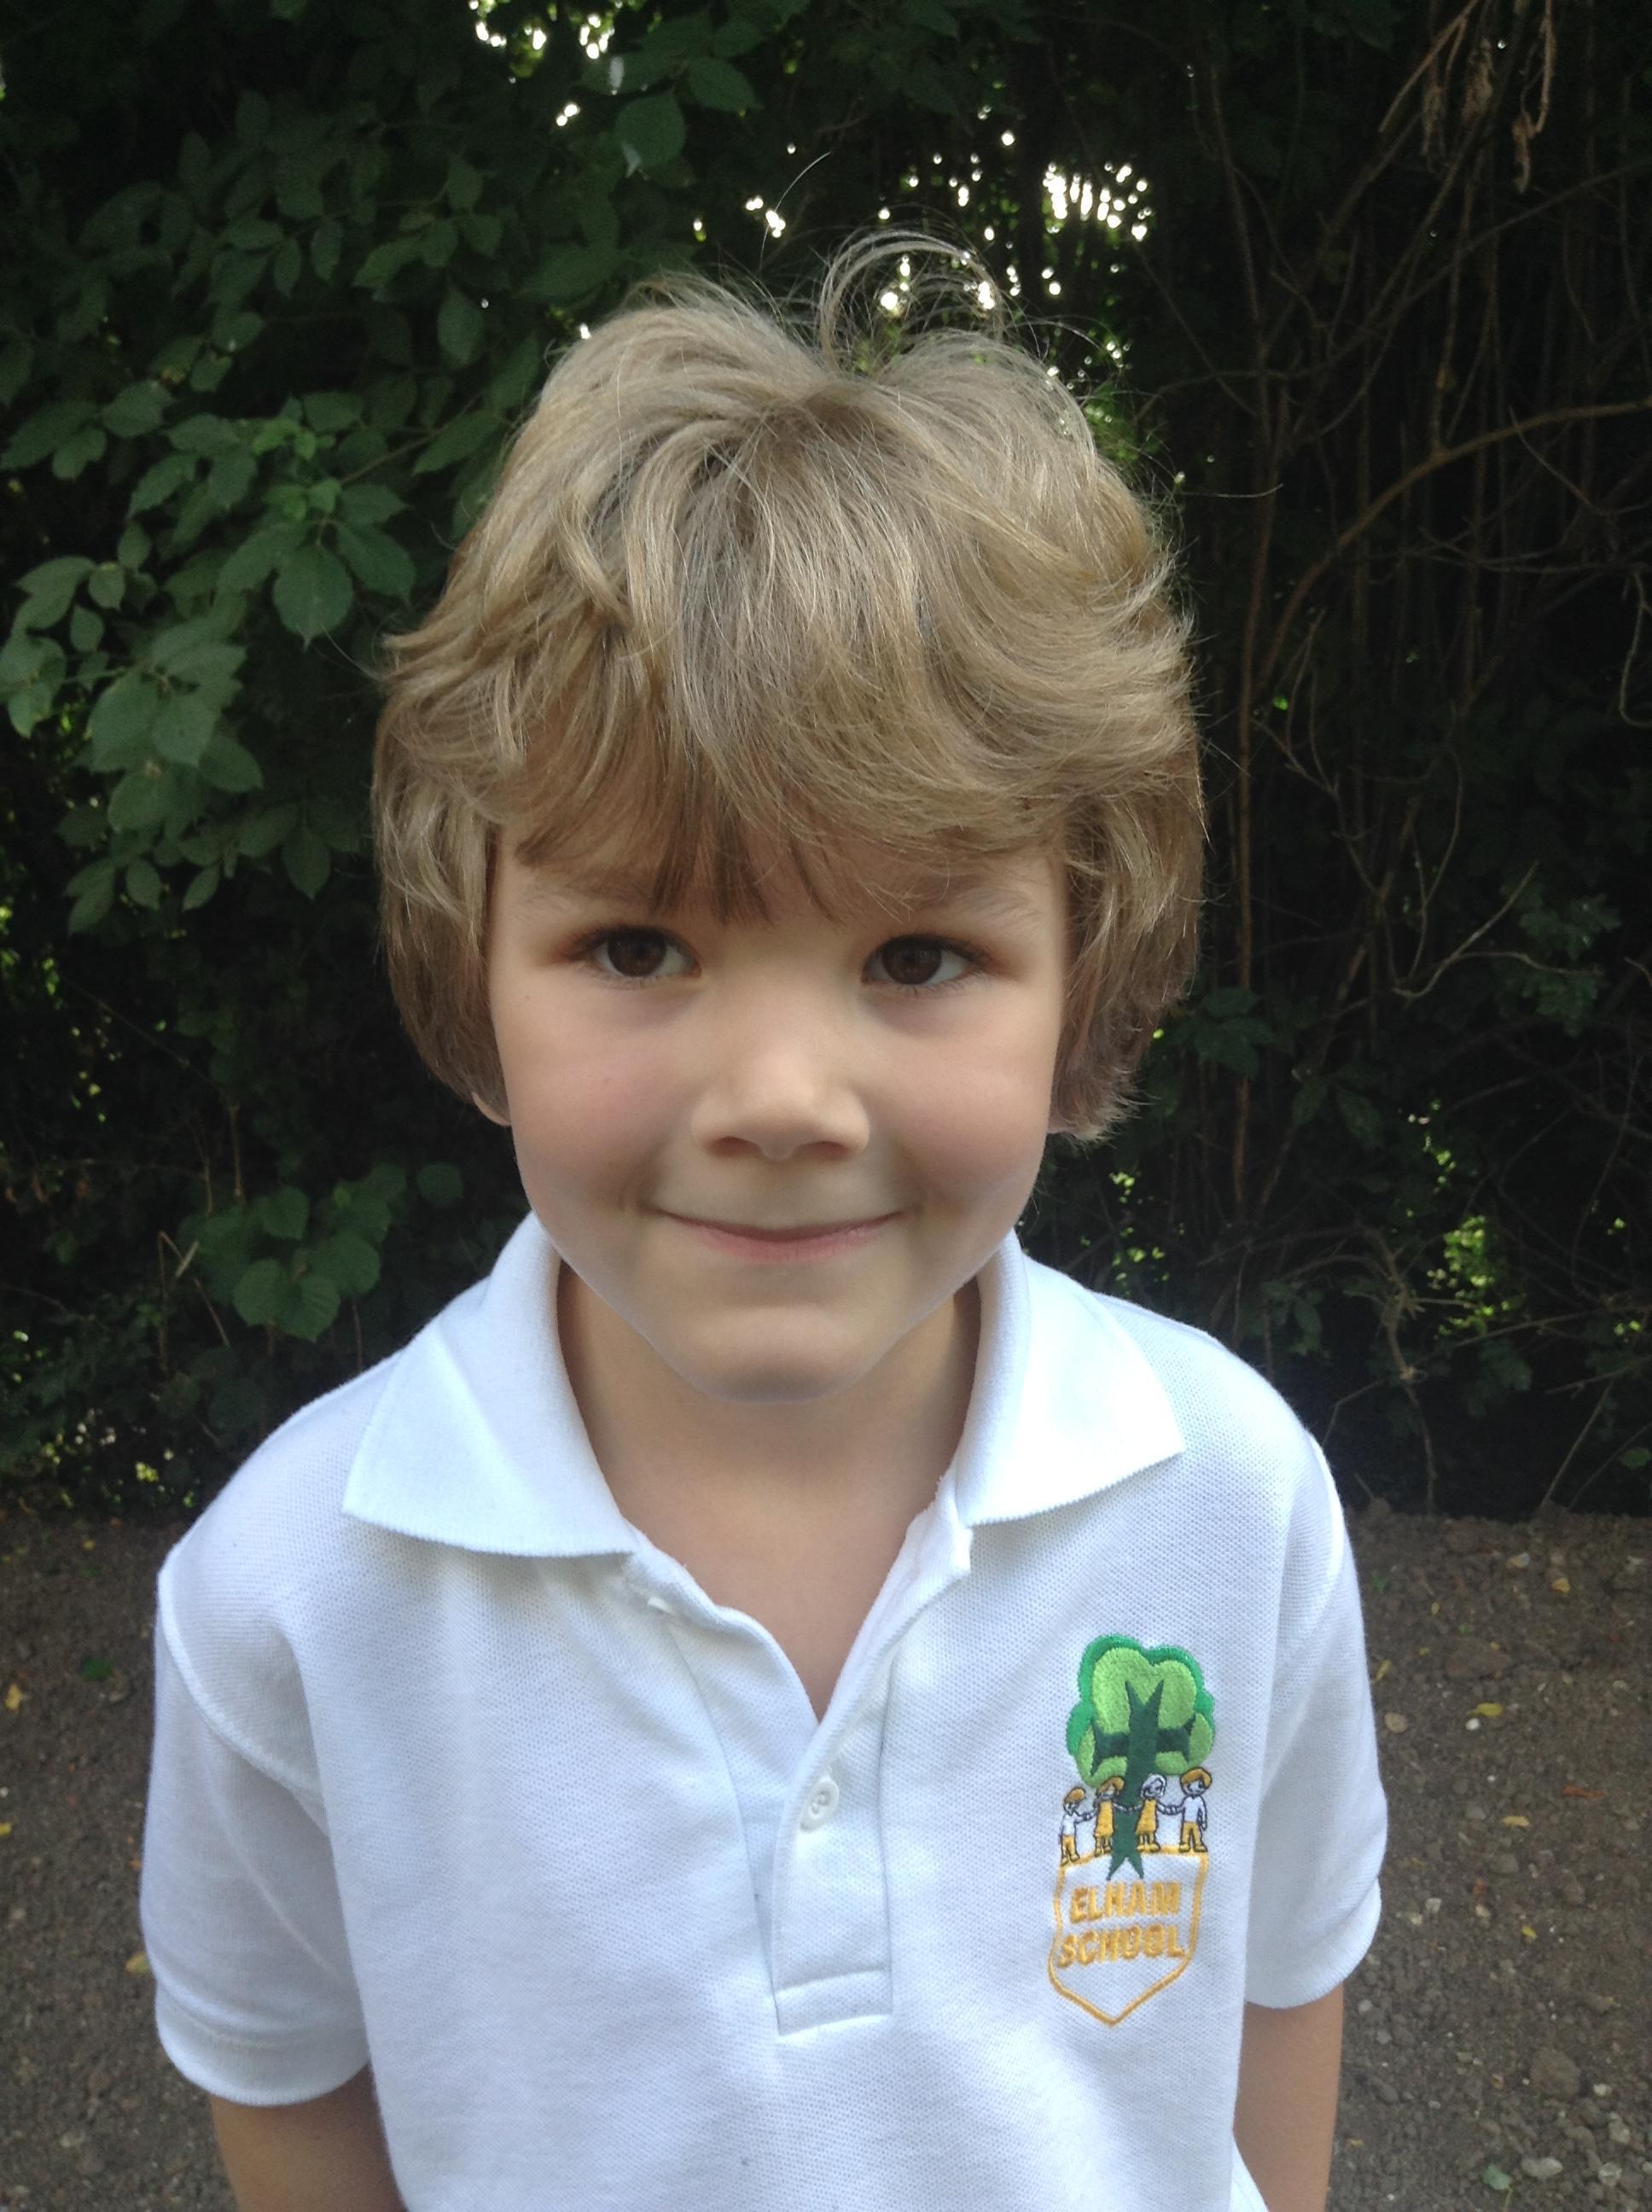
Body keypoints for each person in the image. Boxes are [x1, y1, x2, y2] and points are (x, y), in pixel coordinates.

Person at [139, 237, 1387, 2212]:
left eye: (916, 954)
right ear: (472, 956)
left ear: (1084, 973)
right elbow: (289, 2087)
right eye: (640, 945)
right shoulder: (294, 1594)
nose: (784, 1099)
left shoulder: (1229, 1497)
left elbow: (1274, 1991)